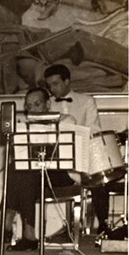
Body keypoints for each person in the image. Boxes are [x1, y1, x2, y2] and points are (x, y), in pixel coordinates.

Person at [4, 88, 78, 251]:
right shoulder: (23, 126)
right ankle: (29, 234)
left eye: (37, 104)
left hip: (60, 173)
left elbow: (66, 153)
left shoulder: (66, 120)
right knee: (22, 171)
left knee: (22, 172)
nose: (33, 109)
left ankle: (8, 217)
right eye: (29, 106)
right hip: (34, 174)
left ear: (48, 104)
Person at [44, 63, 111, 236]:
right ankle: (64, 226)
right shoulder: (47, 104)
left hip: (84, 155)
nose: (51, 89)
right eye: (49, 85)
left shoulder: (87, 101)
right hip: (58, 158)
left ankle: (103, 223)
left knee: (98, 174)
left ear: (67, 81)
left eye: (55, 84)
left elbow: (93, 130)